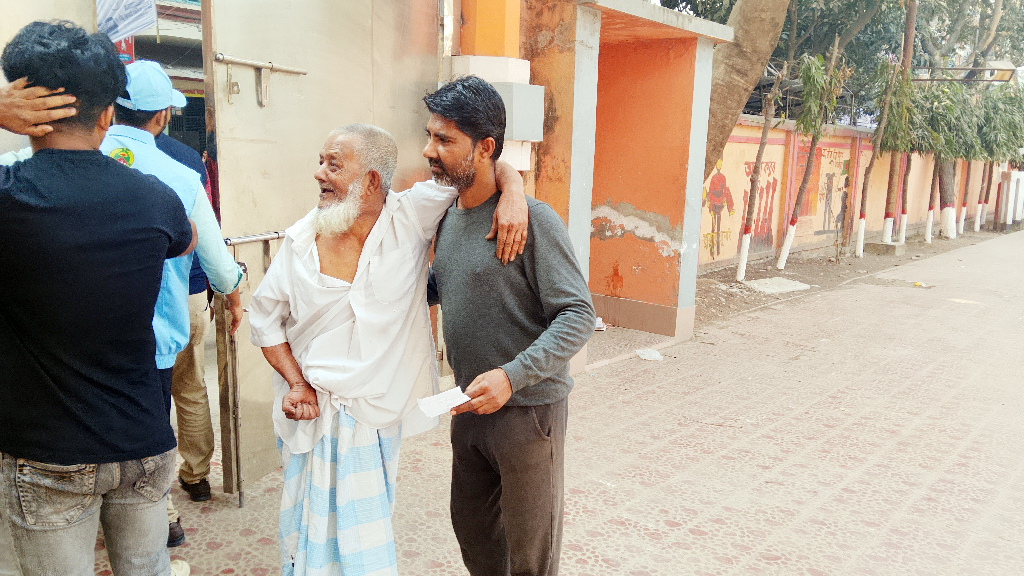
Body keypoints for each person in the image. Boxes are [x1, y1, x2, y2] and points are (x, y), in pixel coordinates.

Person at [248, 123, 528, 576]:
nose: (319, 173)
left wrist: (514, 191)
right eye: (320, 161)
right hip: (314, 413)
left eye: (333, 164)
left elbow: (481, 170)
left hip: (376, 415)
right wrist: (297, 384)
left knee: (365, 535)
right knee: (308, 530)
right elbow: (264, 319)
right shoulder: (301, 240)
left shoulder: (410, 215)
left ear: (373, 181)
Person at [0, 21, 195, 576]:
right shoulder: (156, 196)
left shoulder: (8, 198)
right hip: (143, 439)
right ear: (109, 112)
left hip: (46, 452)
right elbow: (186, 239)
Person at [424, 76, 595, 576]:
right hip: (468, 409)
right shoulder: (446, 217)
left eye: (444, 140)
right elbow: (450, 288)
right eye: (430, 134)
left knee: (530, 556)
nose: (429, 149)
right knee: (473, 536)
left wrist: (512, 376)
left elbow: (578, 315)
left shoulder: (533, 221)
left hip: (528, 413)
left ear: (486, 148)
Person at [101, 59, 244, 546]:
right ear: (163, 115)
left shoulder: (78, 156)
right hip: (166, 317)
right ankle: (186, 485)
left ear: (110, 110)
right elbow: (220, 266)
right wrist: (235, 283)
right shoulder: (181, 167)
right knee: (178, 396)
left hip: (89, 325)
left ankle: (104, 503)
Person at [154, 101, 222, 507]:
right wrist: (227, 286)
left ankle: (154, 500)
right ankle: (197, 476)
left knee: (148, 396)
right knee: (191, 383)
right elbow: (207, 228)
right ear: (163, 114)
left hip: (125, 294)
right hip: (189, 288)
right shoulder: (185, 160)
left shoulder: (98, 155)